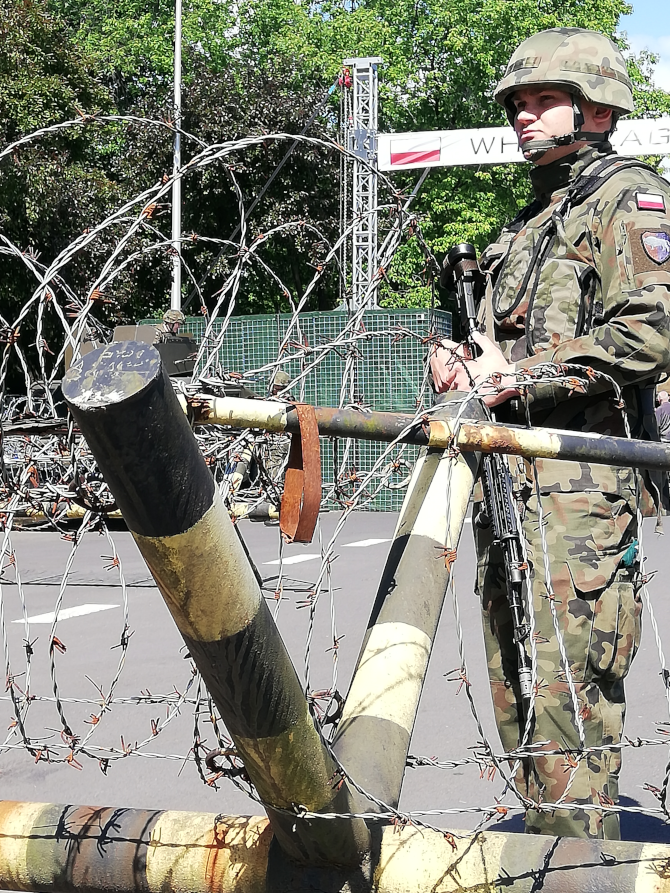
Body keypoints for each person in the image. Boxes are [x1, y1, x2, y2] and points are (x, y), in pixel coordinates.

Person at [430, 27, 670, 839]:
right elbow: (508, 342)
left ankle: (575, 862)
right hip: (512, 485)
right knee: (518, 681)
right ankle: (549, 845)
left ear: (596, 108)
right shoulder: (532, 219)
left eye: (542, 101)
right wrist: (461, 357)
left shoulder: (626, 198)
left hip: (581, 494)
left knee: (571, 688)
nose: (522, 118)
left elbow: (648, 332)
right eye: (517, 105)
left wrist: (515, 377)